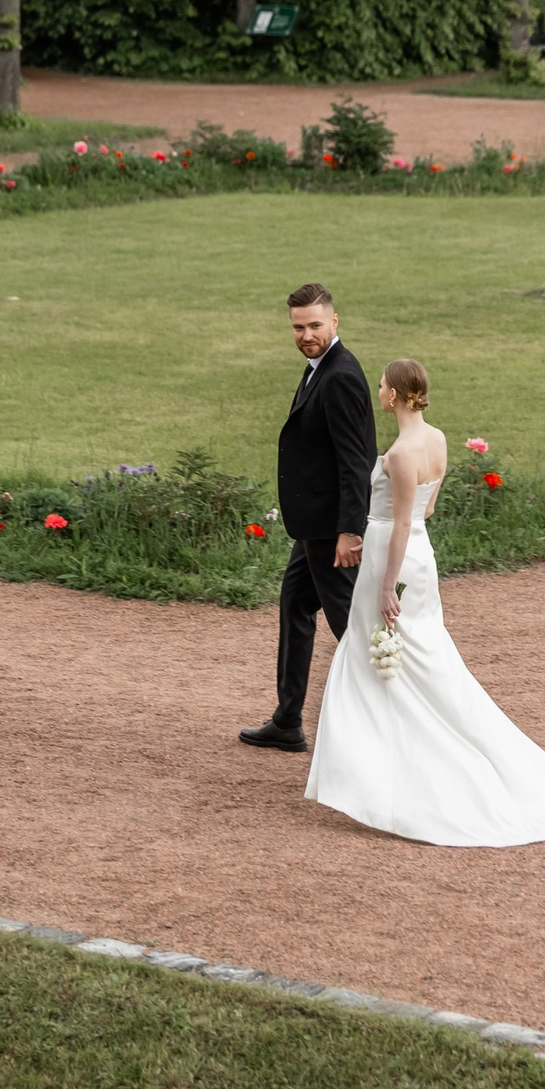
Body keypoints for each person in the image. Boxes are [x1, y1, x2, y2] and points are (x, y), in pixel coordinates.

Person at [303, 358, 545, 847]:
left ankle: (380, 777)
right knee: (421, 658)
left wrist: (384, 584)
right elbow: (427, 510)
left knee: (379, 660)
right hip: (420, 557)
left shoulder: (401, 453)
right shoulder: (438, 440)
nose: (378, 392)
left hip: (393, 561)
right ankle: (378, 769)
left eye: (382, 386)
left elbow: (399, 523)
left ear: (397, 394)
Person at [240, 284, 376, 753]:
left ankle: (390, 721)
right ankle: (287, 720)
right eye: (298, 327)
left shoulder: (339, 376)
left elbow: (355, 461)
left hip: (332, 529)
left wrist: (350, 530)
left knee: (351, 627)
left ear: (334, 322)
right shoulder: (320, 368)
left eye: (315, 325)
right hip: (315, 525)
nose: (306, 335)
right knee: (296, 605)